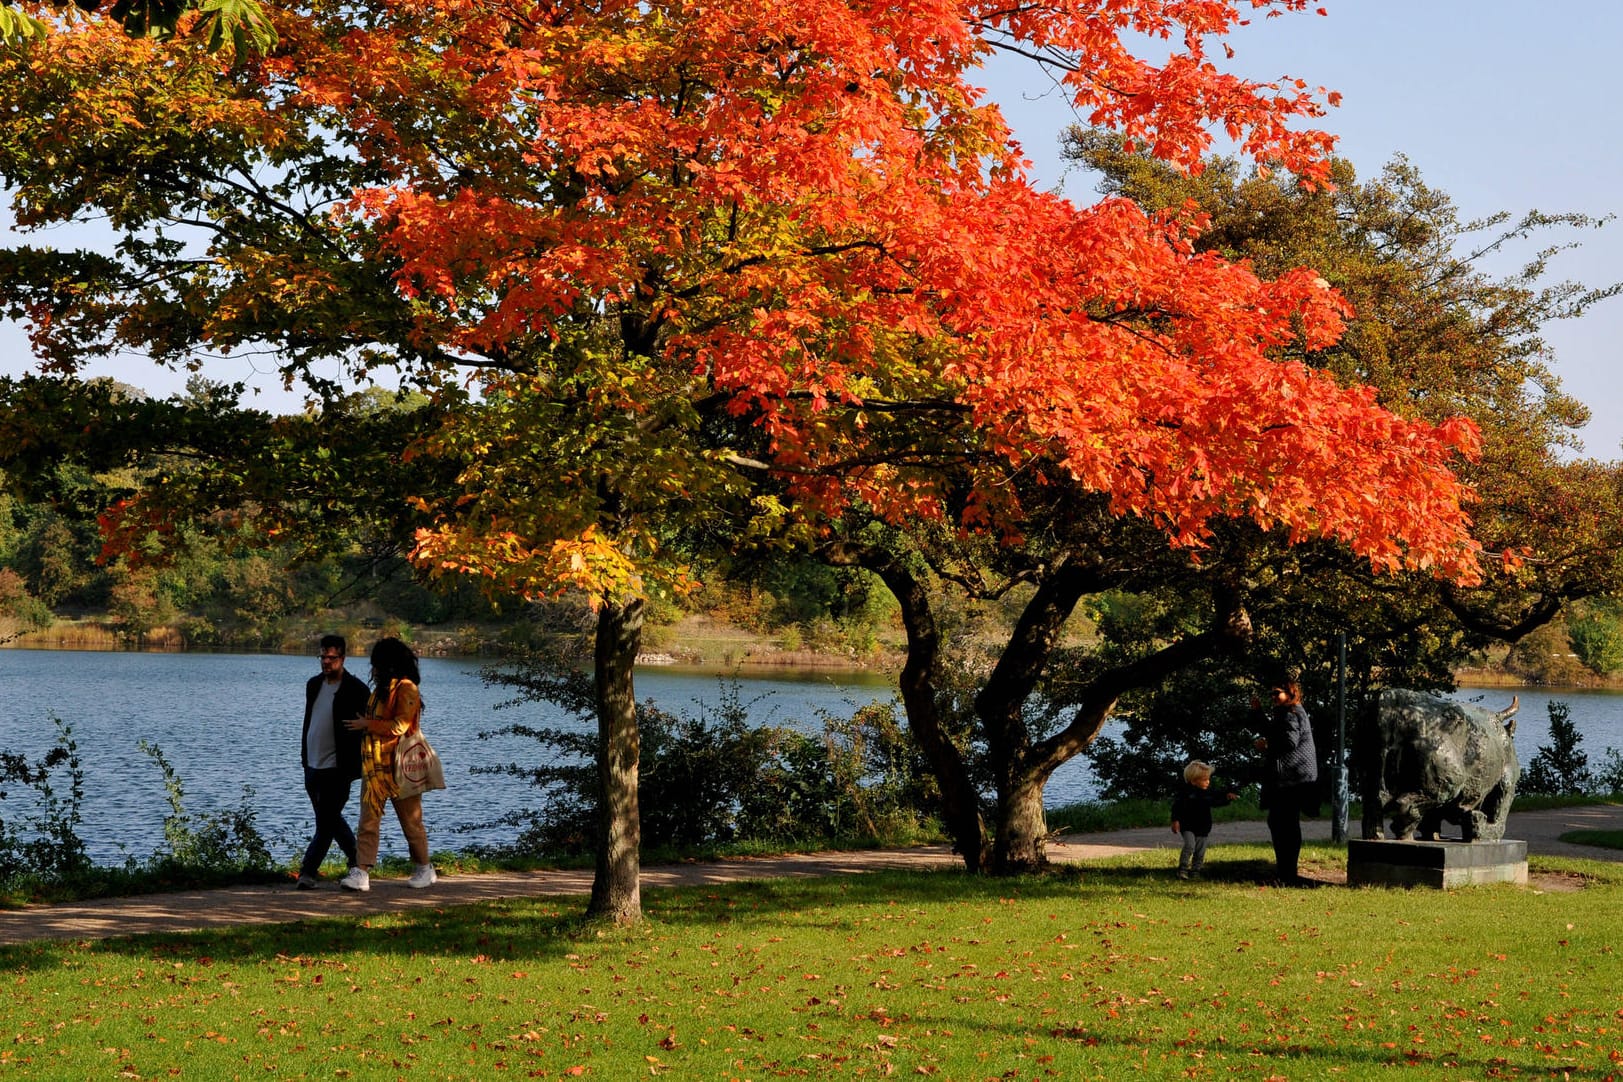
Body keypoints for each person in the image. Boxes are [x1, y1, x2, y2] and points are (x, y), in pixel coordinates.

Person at [340, 637, 436, 892]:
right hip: (375, 767)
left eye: (377, 663)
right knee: (368, 820)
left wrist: (366, 725)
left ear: (389, 663)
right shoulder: (382, 689)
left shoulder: (406, 688)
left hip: (399, 766)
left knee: (411, 821)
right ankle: (361, 872)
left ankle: (424, 868)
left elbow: (399, 727)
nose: (373, 669)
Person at [296, 634, 371, 889]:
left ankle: (308, 871)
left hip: (339, 768)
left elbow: (367, 728)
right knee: (328, 819)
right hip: (311, 764)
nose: (326, 662)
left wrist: (356, 764)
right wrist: (304, 757)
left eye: (332, 658)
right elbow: (310, 721)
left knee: (328, 818)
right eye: (322, 657)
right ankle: (357, 860)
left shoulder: (357, 689)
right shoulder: (313, 684)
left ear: (343, 658)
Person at [1255, 680, 1319, 885]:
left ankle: (1286, 874)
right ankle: (1285, 872)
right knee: (1283, 824)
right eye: (1271, 693)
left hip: (1292, 779)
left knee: (1283, 825)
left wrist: (1267, 745)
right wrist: (1258, 713)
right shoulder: (1291, 711)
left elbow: (1289, 742)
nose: (1273, 697)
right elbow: (1276, 732)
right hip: (1296, 777)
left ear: (1290, 693)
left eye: (1277, 693)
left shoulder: (1290, 713)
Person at [1169, 760, 1238, 879]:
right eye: (1204, 779)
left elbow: (1216, 801)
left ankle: (1196, 870)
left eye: (1208, 779)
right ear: (1194, 781)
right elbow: (1176, 807)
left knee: (1200, 850)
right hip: (1187, 826)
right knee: (1190, 845)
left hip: (1203, 827)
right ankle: (1183, 870)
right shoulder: (1185, 793)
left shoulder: (1208, 793)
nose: (1208, 782)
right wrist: (1175, 821)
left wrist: (1227, 798)